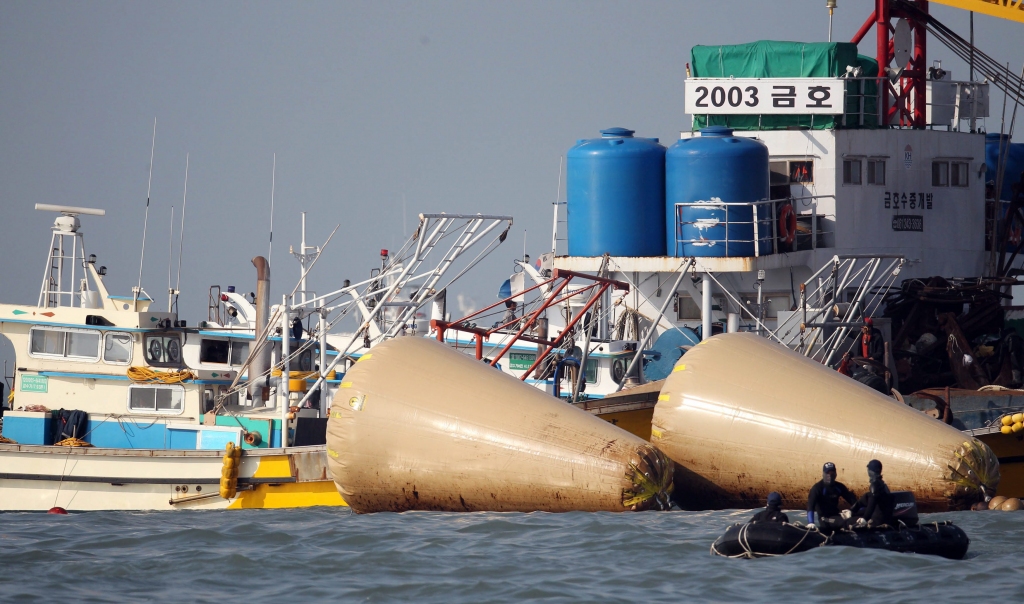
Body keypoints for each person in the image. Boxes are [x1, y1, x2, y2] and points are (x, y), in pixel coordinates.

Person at [806, 462, 857, 530]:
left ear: (835, 474)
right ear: (823, 474)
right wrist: (811, 522)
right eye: (828, 473)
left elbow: (854, 502)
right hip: (824, 518)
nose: (830, 476)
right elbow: (810, 507)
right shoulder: (817, 488)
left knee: (856, 519)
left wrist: (854, 511)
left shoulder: (839, 487)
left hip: (837, 515)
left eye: (832, 473)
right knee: (843, 523)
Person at [846, 459, 894, 529]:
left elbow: (872, 503)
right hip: (884, 518)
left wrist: (865, 518)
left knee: (847, 522)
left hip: (876, 520)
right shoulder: (883, 485)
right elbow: (865, 500)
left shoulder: (874, 486)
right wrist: (852, 510)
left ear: (870, 471)